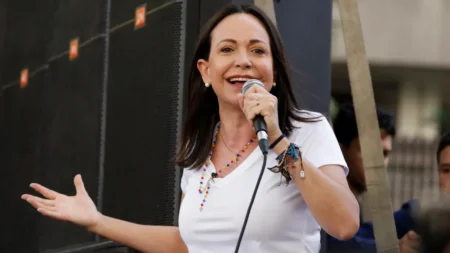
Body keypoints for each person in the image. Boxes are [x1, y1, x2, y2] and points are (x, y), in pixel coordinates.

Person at [21, 4, 359, 253]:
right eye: (227, 49)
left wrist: (279, 140)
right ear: (206, 71)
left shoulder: (306, 130)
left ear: (273, 71)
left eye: (257, 50)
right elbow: (187, 243)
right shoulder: (199, 147)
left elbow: (344, 224)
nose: (243, 60)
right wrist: (98, 222)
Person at [326, 103, 420, 253]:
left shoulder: (352, 204)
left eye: (385, 154)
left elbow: (365, 234)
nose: (380, 164)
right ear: (341, 149)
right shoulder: (322, 196)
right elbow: (329, 245)